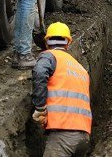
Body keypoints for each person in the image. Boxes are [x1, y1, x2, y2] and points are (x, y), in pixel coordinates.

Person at [31, 22, 91, 157]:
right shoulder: (80, 68)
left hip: (63, 135)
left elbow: (40, 73)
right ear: (68, 43)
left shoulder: (50, 56)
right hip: (84, 136)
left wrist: (40, 108)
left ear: (46, 43)